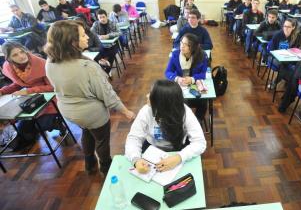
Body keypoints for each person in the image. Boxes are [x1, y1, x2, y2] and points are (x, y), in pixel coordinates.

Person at [45, 20, 135, 176]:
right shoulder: (87, 67)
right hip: (91, 113)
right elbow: (106, 94)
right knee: (101, 139)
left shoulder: (50, 61)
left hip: (69, 111)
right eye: (82, 35)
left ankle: (89, 162)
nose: (87, 37)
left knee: (87, 131)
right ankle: (106, 166)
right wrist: (125, 111)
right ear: (72, 42)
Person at [125, 79, 206, 174]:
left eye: (151, 94)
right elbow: (134, 138)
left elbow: (200, 143)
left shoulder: (185, 112)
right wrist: (136, 159)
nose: (147, 96)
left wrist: (179, 157)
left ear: (162, 103)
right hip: (152, 148)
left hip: (178, 148)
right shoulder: (146, 111)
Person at [0, 42, 64, 148]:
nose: (21, 56)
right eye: (15, 55)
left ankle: (58, 123)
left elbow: (53, 87)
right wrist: (3, 91)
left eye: (21, 52)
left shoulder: (41, 63)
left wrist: (28, 91)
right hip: (31, 100)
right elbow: (18, 84)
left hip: (51, 99)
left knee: (41, 125)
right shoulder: (9, 67)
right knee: (25, 129)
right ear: (9, 59)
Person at [166, 33, 208, 122]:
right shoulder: (175, 55)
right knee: (178, 102)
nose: (182, 46)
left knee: (203, 102)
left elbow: (203, 74)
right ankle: (183, 122)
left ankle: (197, 123)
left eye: (186, 45)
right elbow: (168, 72)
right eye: (181, 43)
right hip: (180, 88)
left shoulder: (202, 56)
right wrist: (177, 78)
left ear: (193, 47)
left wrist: (192, 79)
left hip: (194, 87)